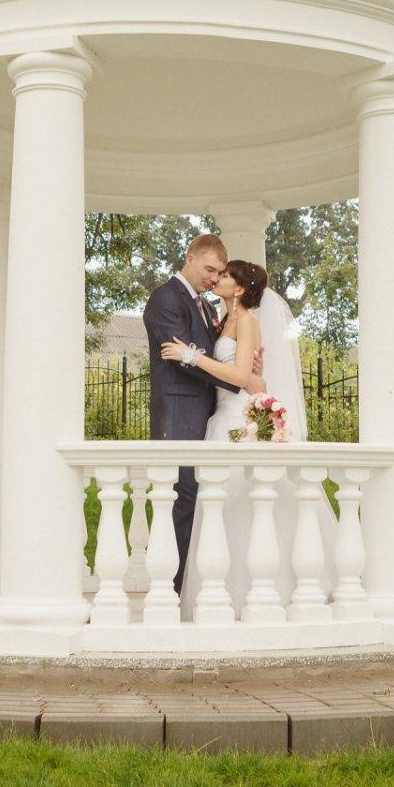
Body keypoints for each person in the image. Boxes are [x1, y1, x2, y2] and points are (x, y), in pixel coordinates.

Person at [160, 261, 334, 619]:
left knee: (241, 507)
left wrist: (190, 356)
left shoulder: (247, 322)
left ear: (239, 288)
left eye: (225, 276)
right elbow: (248, 374)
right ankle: (223, 594)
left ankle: (255, 593)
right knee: (223, 511)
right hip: (221, 417)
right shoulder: (223, 320)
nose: (217, 279)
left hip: (235, 419)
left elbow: (240, 377)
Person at [141, 234, 263, 594]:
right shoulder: (165, 297)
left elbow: (208, 356)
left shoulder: (211, 310)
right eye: (209, 270)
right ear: (190, 257)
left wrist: (246, 372)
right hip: (178, 414)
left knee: (202, 502)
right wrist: (241, 377)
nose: (213, 279)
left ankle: (192, 589)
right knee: (181, 499)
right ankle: (167, 591)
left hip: (211, 417)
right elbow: (179, 356)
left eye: (219, 273)